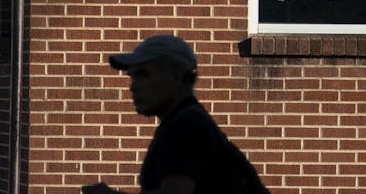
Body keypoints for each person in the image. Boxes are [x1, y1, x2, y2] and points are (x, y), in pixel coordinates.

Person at [82, 34, 268, 194]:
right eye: (132, 76)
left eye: (144, 74)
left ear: (177, 76)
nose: (133, 86)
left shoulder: (186, 125)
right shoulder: (186, 121)